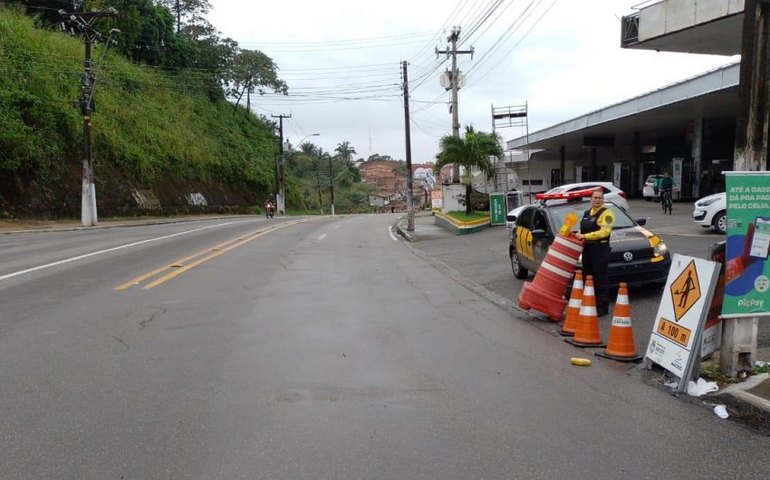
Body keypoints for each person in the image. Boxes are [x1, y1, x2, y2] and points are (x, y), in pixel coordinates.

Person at [574, 189, 616, 317]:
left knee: (600, 279)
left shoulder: (607, 213)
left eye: (600, 198)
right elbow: (581, 231)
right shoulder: (587, 213)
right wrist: (577, 236)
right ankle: (589, 304)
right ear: (590, 199)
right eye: (595, 198)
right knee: (588, 278)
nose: (597, 200)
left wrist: (585, 236)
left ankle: (602, 307)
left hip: (600, 249)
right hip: (588, 250)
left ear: (603, 200)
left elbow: (605, 232)